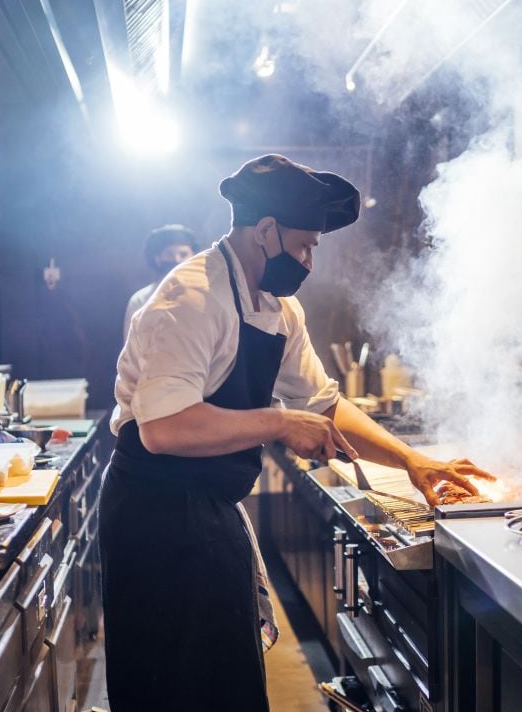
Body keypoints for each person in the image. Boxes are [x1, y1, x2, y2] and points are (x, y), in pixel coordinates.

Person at [100, 154, 493, 711]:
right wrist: (279, 423)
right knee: (173, 686)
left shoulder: (278, 308)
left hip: (211, 507)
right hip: (155, 516)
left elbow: (324, 402)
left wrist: (411, 461)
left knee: (228, 680)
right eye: (305, 245)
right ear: (265, 231)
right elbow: (163, 428)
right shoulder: (191, 297)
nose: (309, 260)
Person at [122, 224, 199, 339]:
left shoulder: (204, 296)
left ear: (193, 257)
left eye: (183, 254)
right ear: (158, 258)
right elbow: (131, 348)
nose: (177, 260)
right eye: (169, 254)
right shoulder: (141, 300)